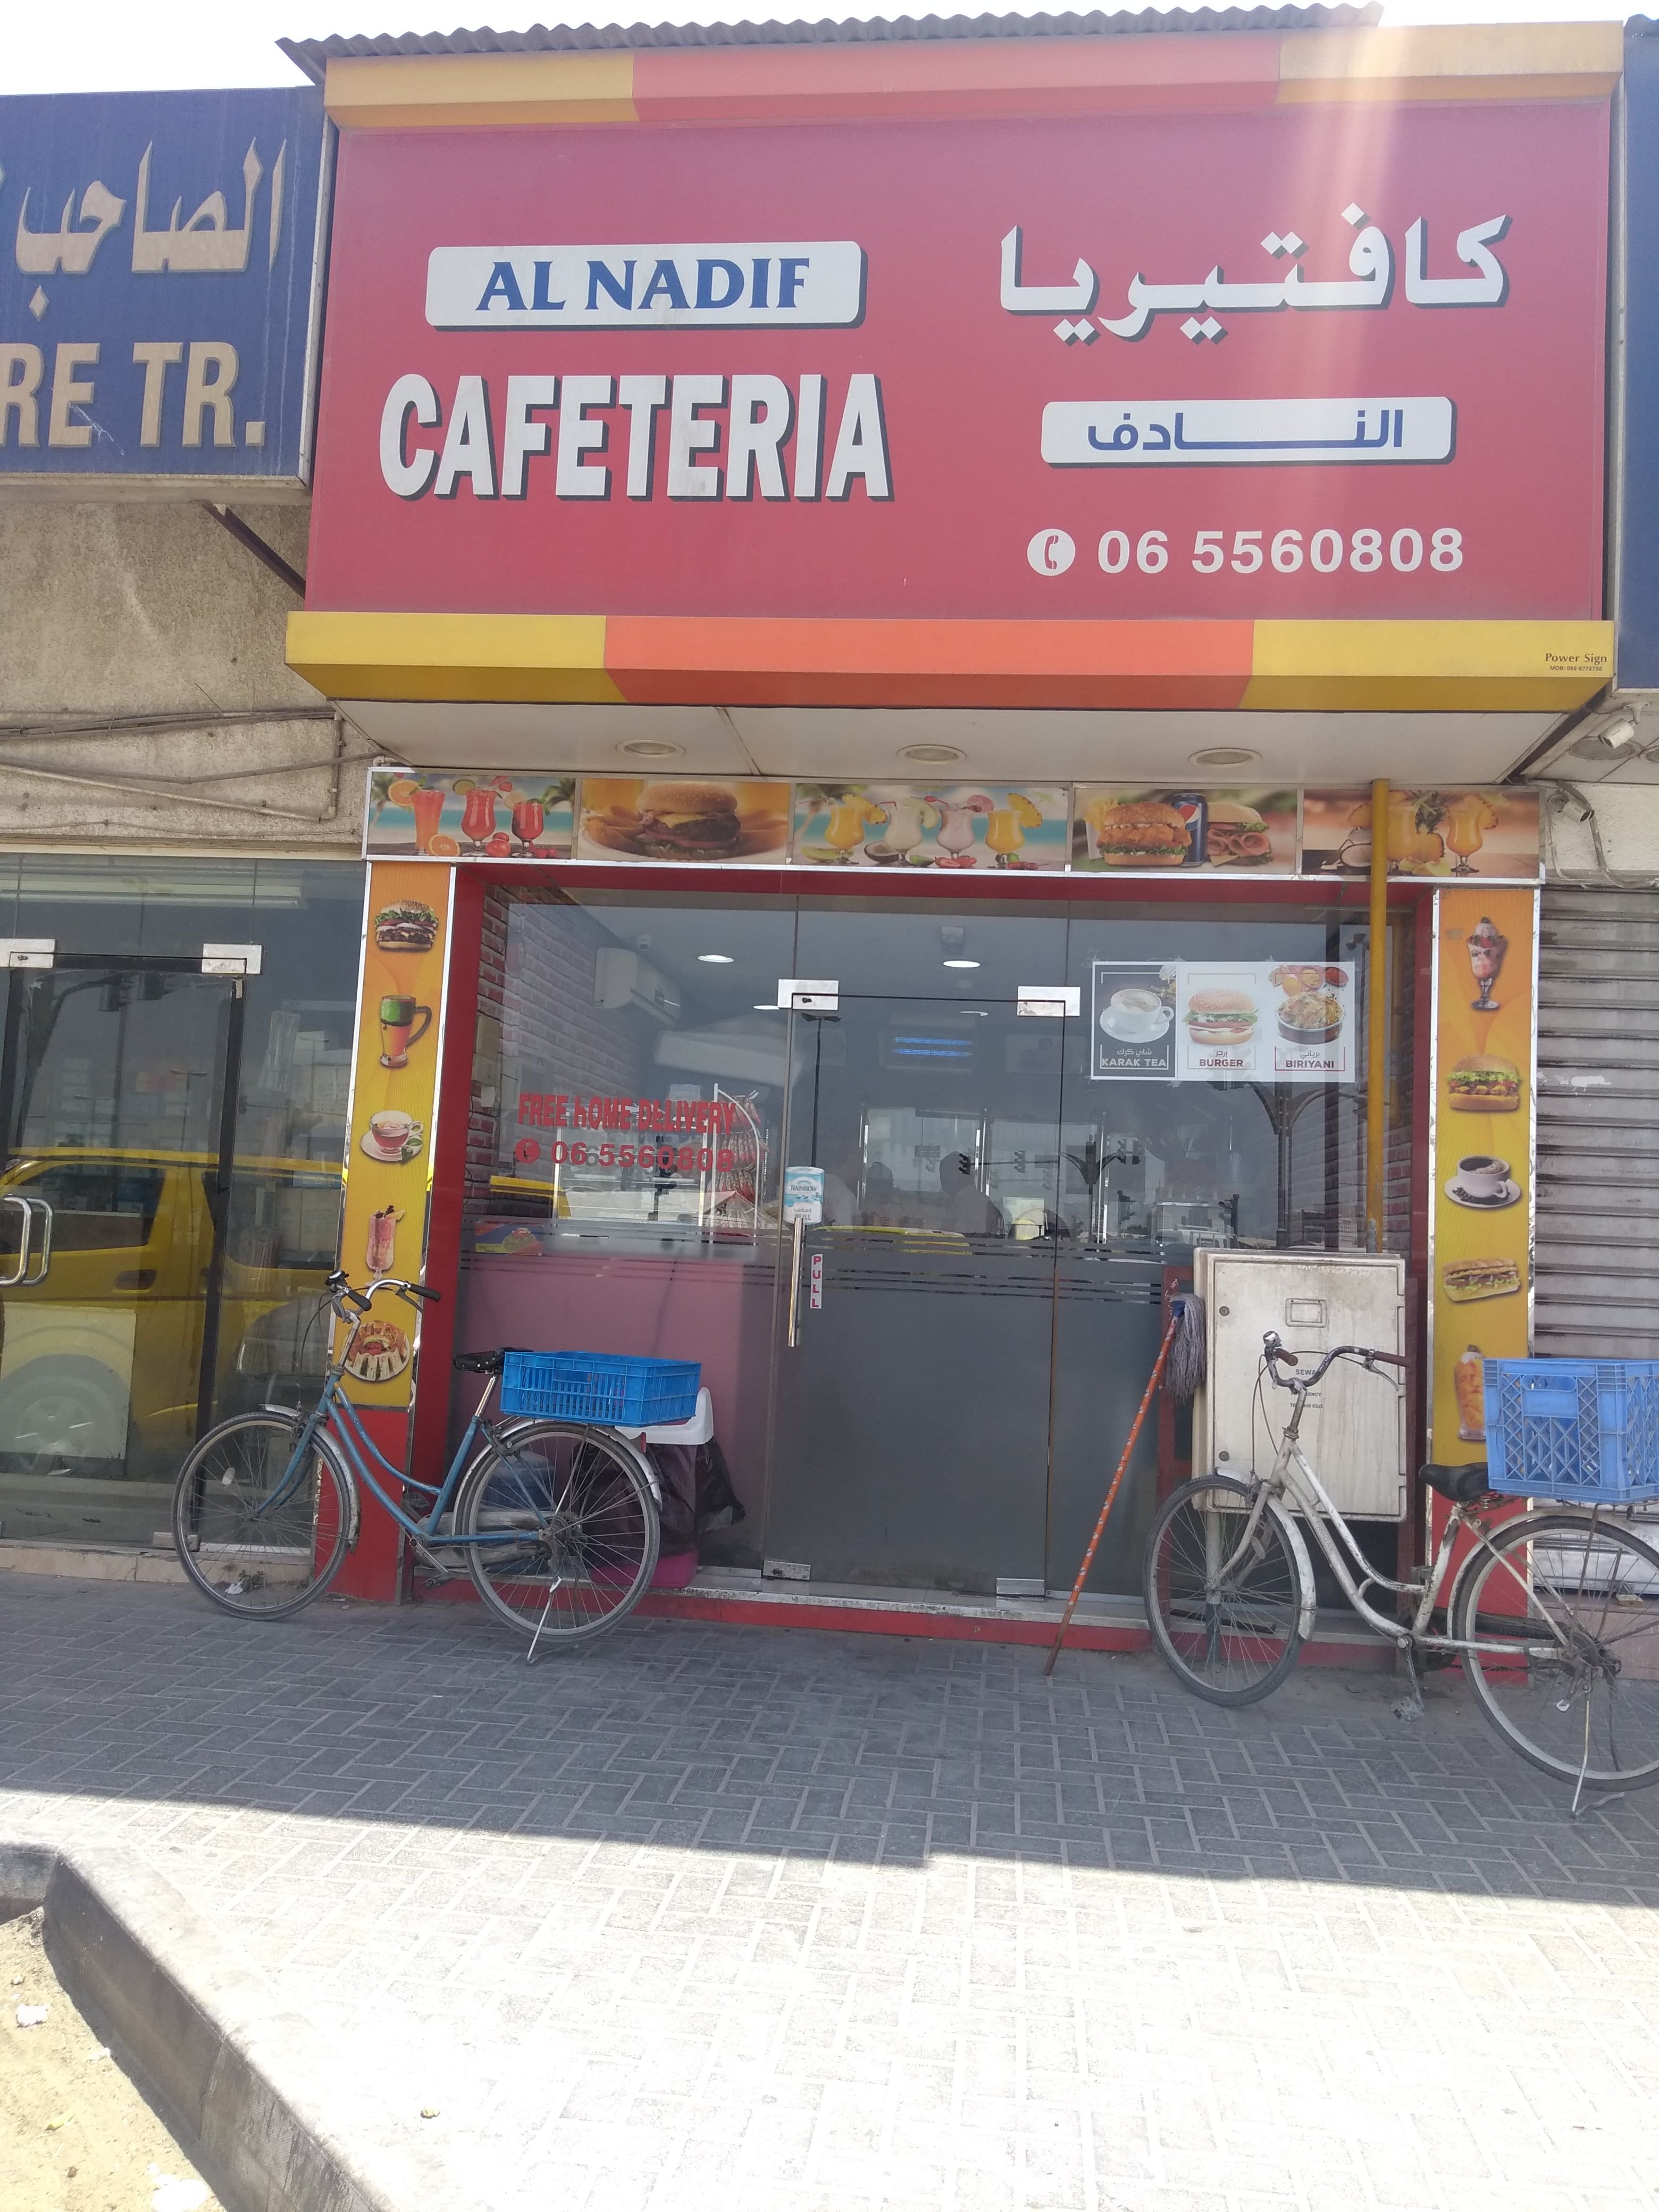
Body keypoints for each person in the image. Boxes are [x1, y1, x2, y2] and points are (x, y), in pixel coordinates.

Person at [938, 1152, 1004, 1237]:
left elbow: (955, 1238)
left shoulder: (970, 1203)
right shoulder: (973, 1200)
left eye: (945, 1173)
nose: (943, 1179)